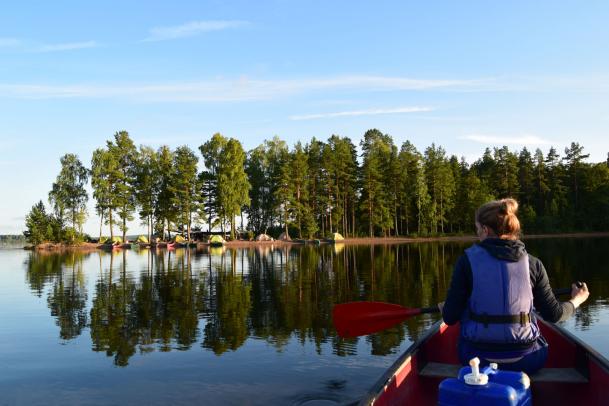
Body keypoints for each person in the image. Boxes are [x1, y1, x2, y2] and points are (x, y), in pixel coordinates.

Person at [439, 198, 589, 374]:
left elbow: (450, 318)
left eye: (477, 229)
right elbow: (554, 314)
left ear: (485, 230)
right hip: (527, 360)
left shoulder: (466, 262)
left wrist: (448, 308)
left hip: (476, 359)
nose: (477, 234)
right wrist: (577, 299)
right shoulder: (534, 264)